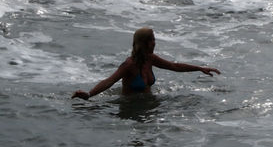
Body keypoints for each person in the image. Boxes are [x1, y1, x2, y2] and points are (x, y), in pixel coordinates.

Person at [71, 27, 220, 100]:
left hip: (148, 104)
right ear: (143, 43)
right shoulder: (129, 65)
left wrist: (199, 68)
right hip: (130, 107)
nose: (154, 43)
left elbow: (174, 66)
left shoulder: (151, 59)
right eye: (151, 40)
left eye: (154, 39)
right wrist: (89, 94)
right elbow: (110, 80)